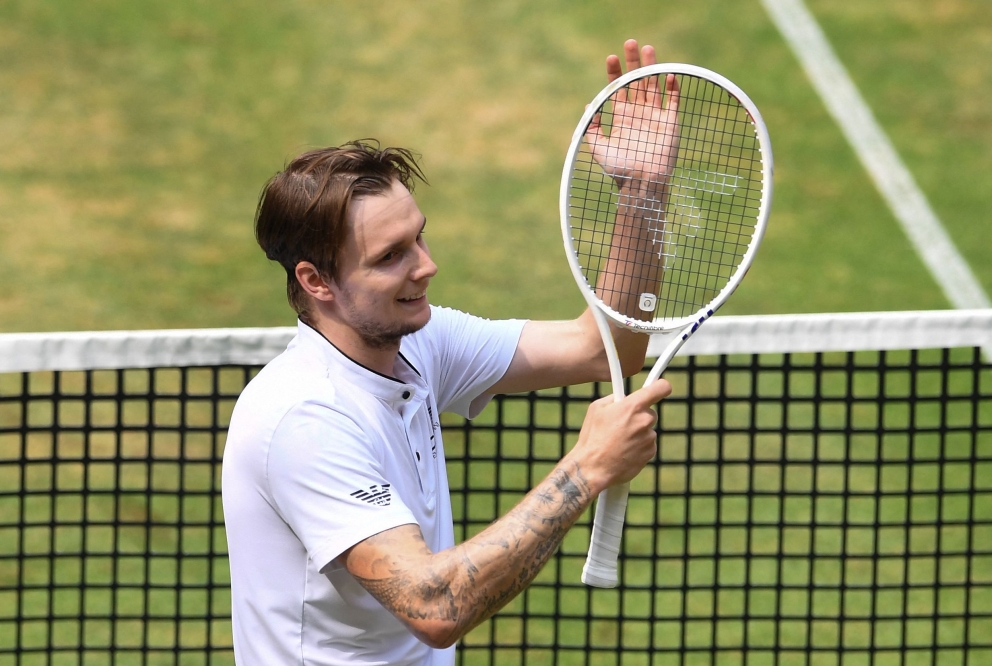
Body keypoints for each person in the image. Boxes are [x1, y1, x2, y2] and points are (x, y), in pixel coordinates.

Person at [222, 40, 676, 665]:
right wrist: (586, 468)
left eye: (419, 238)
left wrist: (642, 194)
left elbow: (608, 347)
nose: (427, 267)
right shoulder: (304, 419)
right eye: (391, 257)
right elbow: (434, 607)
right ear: (315, 281)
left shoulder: (420, 342)